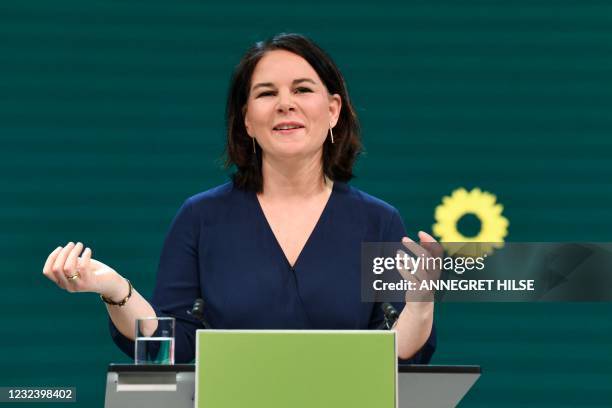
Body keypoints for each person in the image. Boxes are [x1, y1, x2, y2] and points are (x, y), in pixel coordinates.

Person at [42, 33, 437, 364]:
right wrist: (114, 289)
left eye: (302, 89)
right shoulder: (201, 217)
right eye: (267, 93)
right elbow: (168, 351)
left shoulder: (378, 221)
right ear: (247, 119)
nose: (286, 103)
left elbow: (395, 356)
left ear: (333, 110)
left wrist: (420, 302)